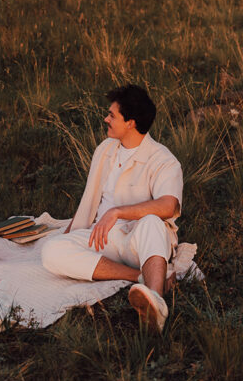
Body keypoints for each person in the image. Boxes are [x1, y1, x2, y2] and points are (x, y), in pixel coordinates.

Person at [41, 84, 182, 332]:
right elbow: (90, 198)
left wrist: (117, 212)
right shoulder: (105, 150)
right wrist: (72, 233)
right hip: (103, 237)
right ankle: (138, 277)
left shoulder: (163, 159)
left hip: (139, 240)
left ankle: (155, 301)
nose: (106, 119)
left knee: (152, 222)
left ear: (131, 123)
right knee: (51, 250)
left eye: (112, 115)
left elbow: (168, 205)